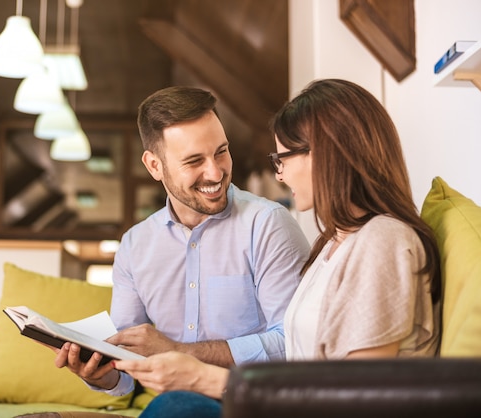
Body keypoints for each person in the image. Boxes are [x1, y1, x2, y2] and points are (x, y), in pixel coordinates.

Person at [113, 79, 442, 417]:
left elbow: (357, 396)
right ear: (154, 165)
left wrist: (206, 379)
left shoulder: (382, 242)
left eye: (283, 158)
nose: (280, 176)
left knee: (176, 407)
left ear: (324, 156)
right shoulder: (333, 246)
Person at [52, 86, 311, 397]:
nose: (215, 173)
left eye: (221, 151)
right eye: (193, 161)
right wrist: (98, 375)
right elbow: (126, 371)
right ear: (154, 166)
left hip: (250, 402)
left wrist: (179, 351)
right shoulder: (134, 246)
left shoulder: (268, 225)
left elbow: (295, 343)